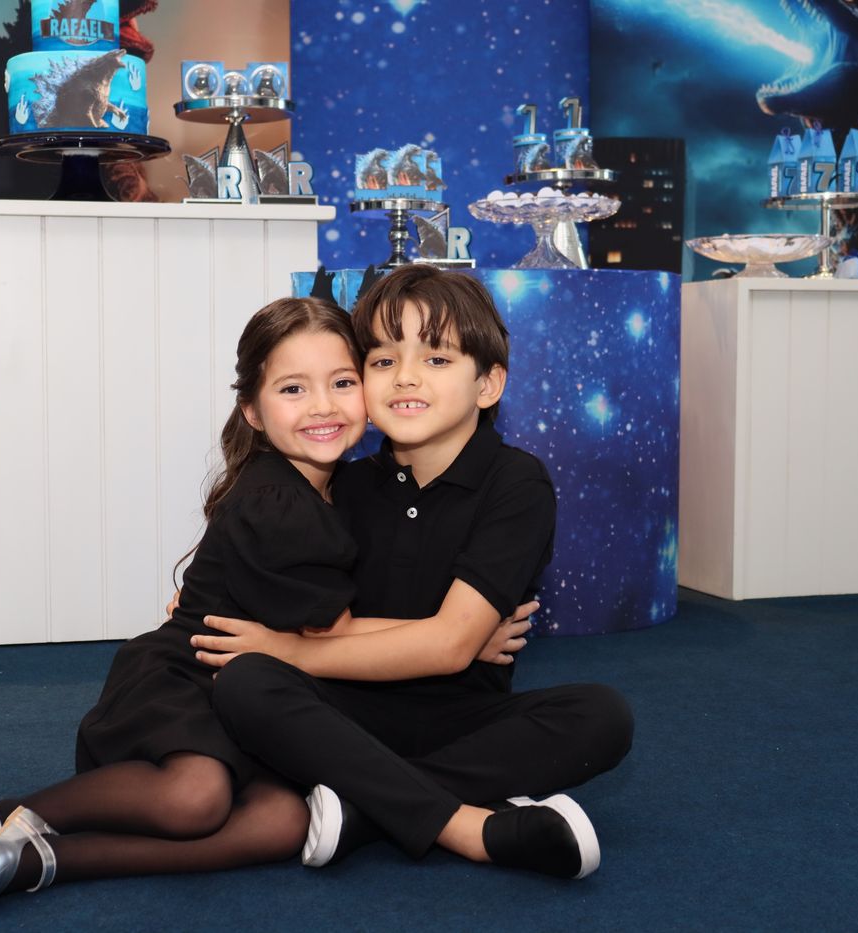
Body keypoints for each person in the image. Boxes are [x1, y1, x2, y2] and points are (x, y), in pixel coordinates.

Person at [0, 297, 374, 908]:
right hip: (189, 676)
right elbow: (332, 632)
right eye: (293, 389)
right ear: (252, 412)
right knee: (195, 797)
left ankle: (46, 860)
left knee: (282, 822)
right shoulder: (274, 499)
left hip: (262, 696)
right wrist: (457, 632)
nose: (323, 406)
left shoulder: (348, 488)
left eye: (342, 382)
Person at [196, 265, 635, 880]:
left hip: (462, 719)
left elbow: (450, 648)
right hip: (345, 710)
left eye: (436, 359)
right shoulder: (342, 483)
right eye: (382, 360)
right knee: (246, 684)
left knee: (601, 715)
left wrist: (289, 649)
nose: (405, 376)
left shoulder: (516, 483)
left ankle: (365, 807)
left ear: (488, 384)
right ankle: (462, 823)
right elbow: (266, 585)